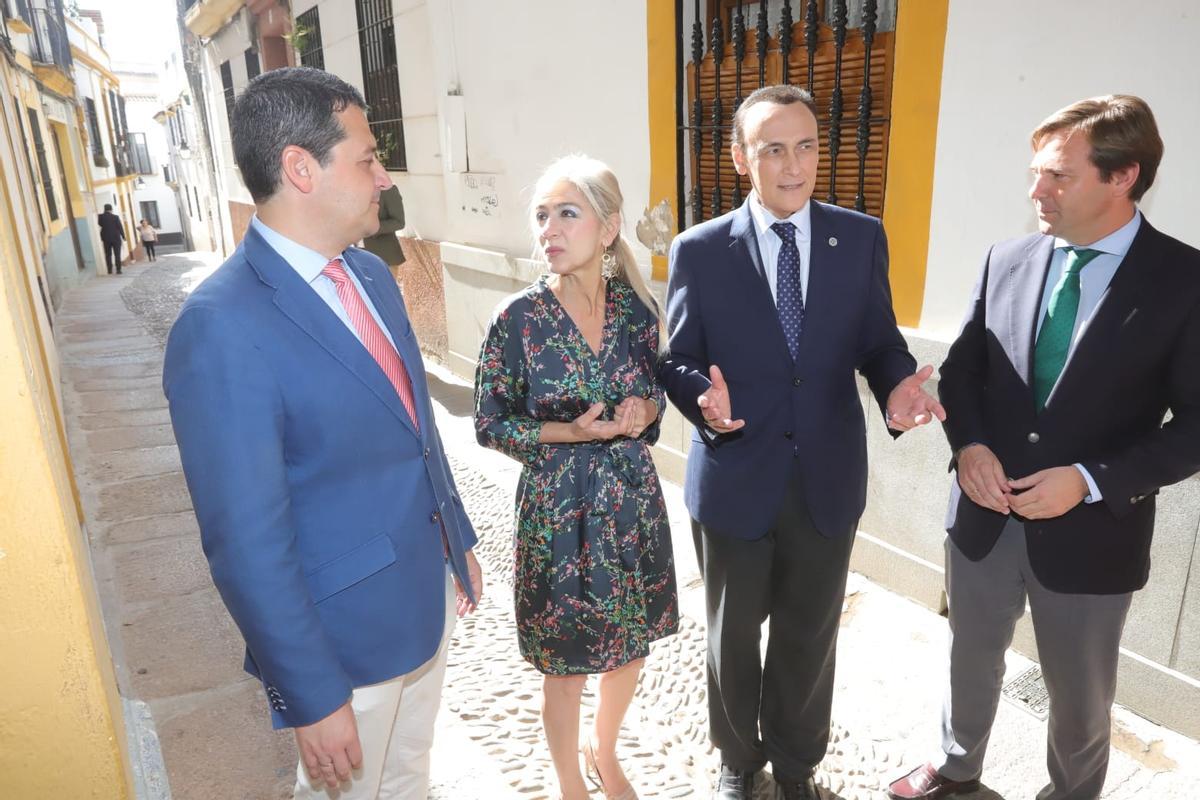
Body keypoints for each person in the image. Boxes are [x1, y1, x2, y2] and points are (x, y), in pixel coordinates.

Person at [162, 67, 483, 800]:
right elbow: (245, 541)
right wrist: (311, 693)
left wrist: (455, 538)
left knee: (408, 780)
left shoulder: (370, 275)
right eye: (367, 158)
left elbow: (415, 430)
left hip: (423, 601)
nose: (384, 175)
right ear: (300, 168)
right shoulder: (219, 329)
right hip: (345, 644)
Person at [886, 95, 1200, 800]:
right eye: (1035, 172)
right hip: (982, 519)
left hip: (1092, 539)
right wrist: (967, 446)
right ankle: (957, 770)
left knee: (1080, 699)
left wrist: (1090, 480)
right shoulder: (1008, 257)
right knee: (970, 659)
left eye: (1058, 175)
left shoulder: (1185, 281)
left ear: (1124, 177)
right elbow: (964, 369)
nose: (1036, 191)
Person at [659, 84, 944, 800]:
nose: (794, 166)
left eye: (807, 146)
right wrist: (703, 402)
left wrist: (898, 388)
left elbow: (878, 342)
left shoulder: (860, 237)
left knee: (809, 636)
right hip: (734, 476)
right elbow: (677, 357)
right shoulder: (700, 250)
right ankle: (738, 760)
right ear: (739, 158)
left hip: (826, 475)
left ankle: (795, 766)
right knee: (730, 639)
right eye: (773, 149)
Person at [474, 154, 678, 800]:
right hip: (557, 512)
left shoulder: (640, 315)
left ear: (609, 226)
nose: (549, 230)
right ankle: (570, 784)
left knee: (632, 646)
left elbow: (652, 404)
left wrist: (646, 409)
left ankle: (604, 749)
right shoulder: (519, 322)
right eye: (541, 216)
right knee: (564, 666)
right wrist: (568, 432)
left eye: (567, 213)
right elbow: (490, 422)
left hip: (630, 502)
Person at [361, 183, 406, 269]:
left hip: (383, 255)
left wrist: (371, 228)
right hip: (352, 256)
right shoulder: (350, 189)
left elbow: (399, 222)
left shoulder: (387, 190)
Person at [98, 203, 125, 274]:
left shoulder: (100, 217)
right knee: (117, 254)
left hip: (106, 238)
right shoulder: (115, 217)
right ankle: (118, 270)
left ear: (104, 209)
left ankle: (109, 270)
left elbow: (100, 224)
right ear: (111, 209)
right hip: (116, 238)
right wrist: (123, 236)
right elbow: (120, 227)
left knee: (108, 254)